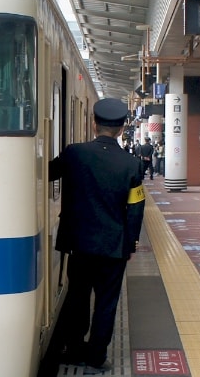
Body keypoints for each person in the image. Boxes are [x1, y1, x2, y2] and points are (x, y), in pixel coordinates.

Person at [46, 98, 144, 373]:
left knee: (77, 296)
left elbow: (47, 172)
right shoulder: (131, 165)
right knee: (106, 303)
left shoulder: (75, 154)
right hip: (113, 247)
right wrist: (131, 242)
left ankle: (75, 349)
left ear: (93, 124)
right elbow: (136, 209)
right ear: (122, 128)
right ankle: (97, 356)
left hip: (79, 244)